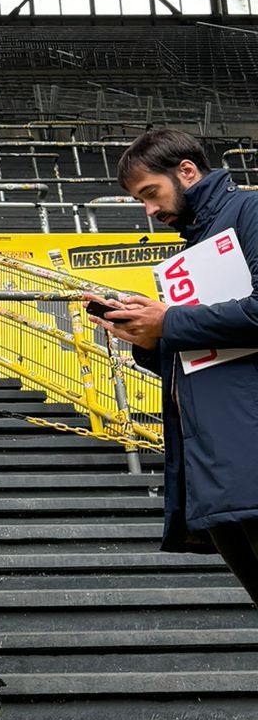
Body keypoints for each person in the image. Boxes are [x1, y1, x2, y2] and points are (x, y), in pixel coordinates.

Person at [98, 128, 258, 605]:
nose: (148, 209)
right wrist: (149, 337)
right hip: (216, 464)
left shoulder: (250, 211)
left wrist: (170, 320)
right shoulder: (190, 251)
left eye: (151, 193)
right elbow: (208, 349)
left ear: (186, 171)